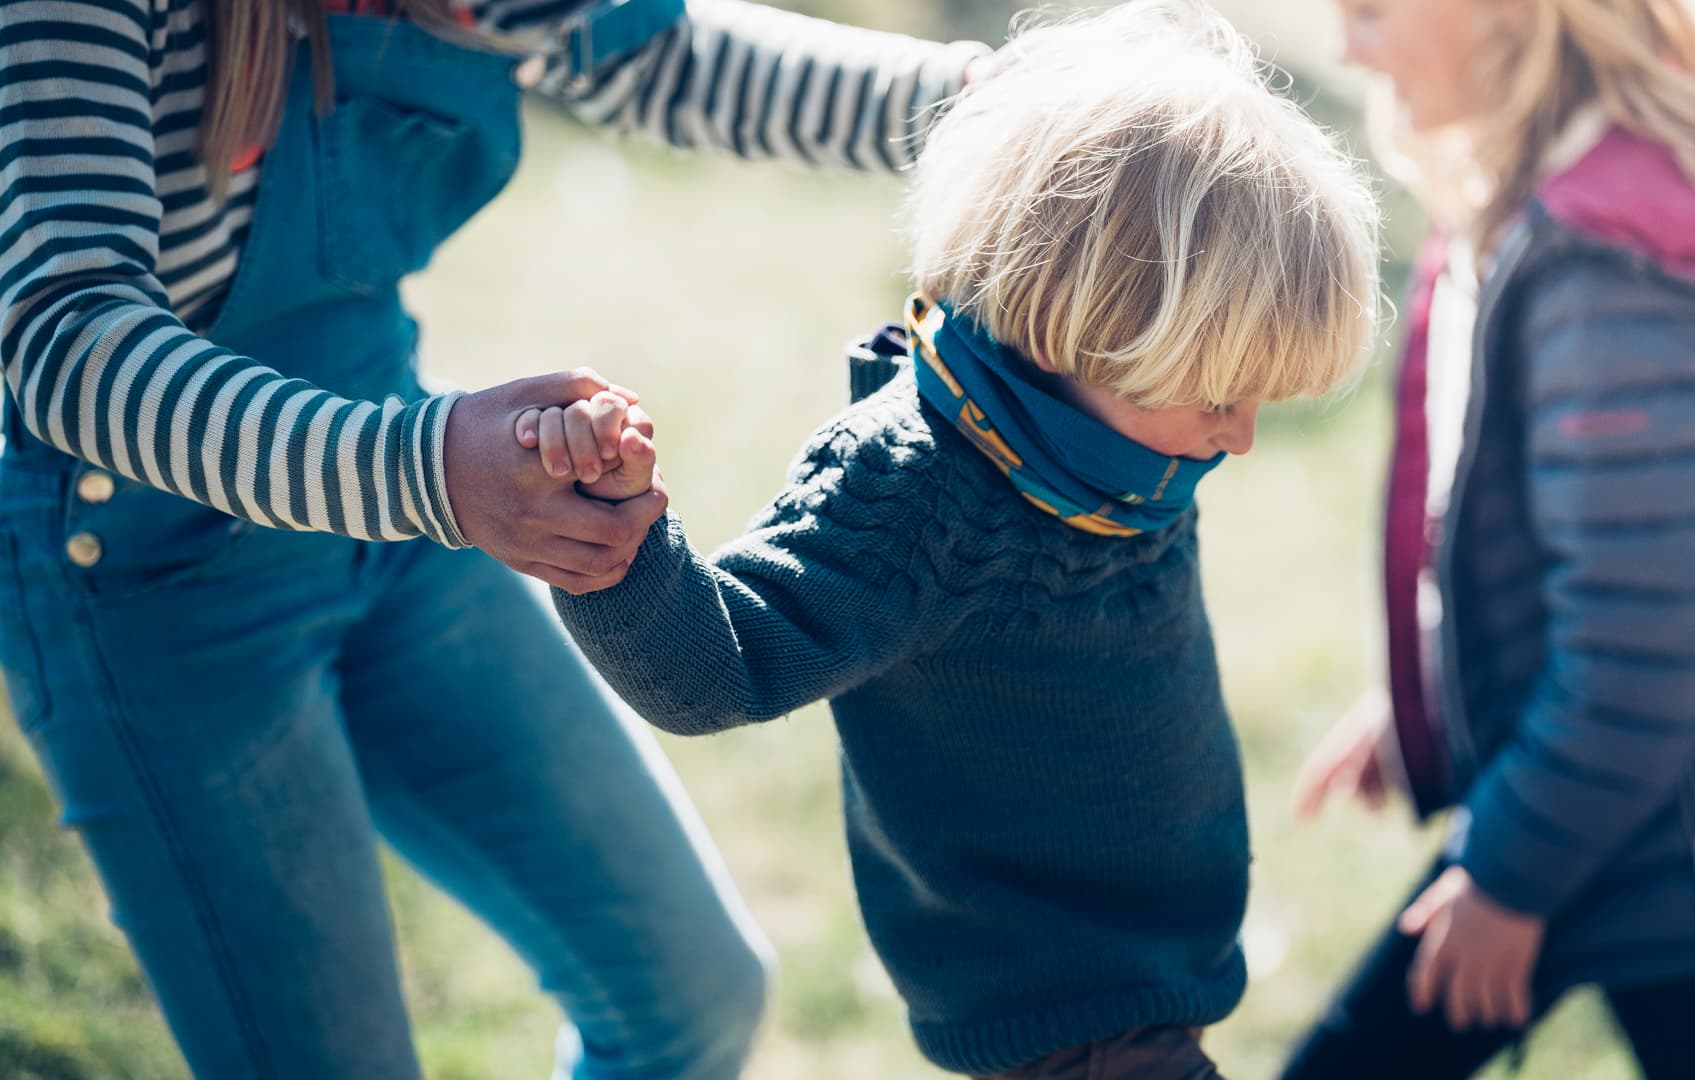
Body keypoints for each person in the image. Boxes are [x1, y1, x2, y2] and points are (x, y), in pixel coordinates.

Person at [0, 1, 990, 1077]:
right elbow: (67, 332)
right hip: (151, 581)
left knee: (694, 997)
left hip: (392, 503)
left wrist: (992, 106)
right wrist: (428, 470)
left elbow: (653, 54)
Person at [530, 3, 1382, 1075]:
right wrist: (611, 537)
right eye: (1223, 396)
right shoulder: (920, 493)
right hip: (1063, 1028)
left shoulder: (1129, 439)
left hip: (1156, 984)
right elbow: (717, 669)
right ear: (1089, 323)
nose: (1243, 439)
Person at [1282, 1, 1695, 1077]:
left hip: (1640, 827)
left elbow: (1646, 649)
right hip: (1630, 809)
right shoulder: (1549, 213)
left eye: (1372, 10)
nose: (1345, 44)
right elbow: (1551, 553)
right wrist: (1431, 697)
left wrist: (1511, 876)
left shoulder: (1605, 281)